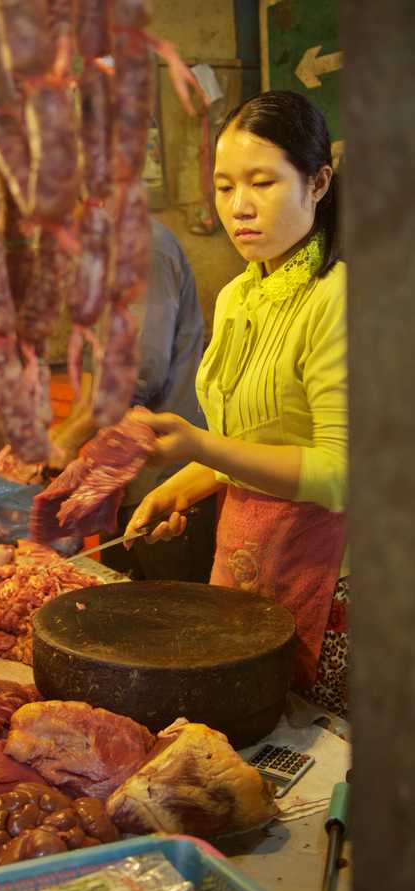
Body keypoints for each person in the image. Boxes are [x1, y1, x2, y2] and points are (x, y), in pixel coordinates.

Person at [124, 90, 348, 717]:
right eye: (224, 187)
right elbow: (246, 441)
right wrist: (182, 486)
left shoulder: (339, 299)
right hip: (252, 571)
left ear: (318, 182)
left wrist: (199, 447)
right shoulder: (237, 298)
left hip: (336, 593)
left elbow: (338, 474)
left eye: (262, 183)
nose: (239, 207)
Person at [50, 217, 217, 583]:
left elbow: (137, 371)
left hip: (168, 478)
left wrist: (65, 441)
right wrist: (62, 442)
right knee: (125, 608)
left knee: (174, 620)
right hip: (127, 477)